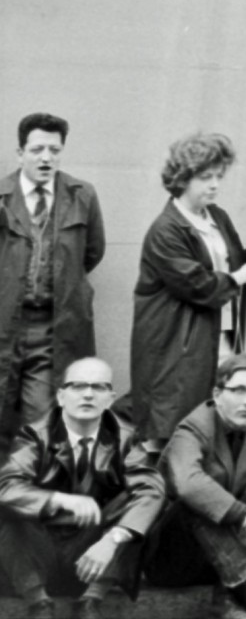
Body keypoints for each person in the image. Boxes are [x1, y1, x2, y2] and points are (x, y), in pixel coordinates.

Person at [128, 134, 246, 449]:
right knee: (179, 424)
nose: (215, 184)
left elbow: (238, 265)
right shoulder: (165, 229)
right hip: (180, 342)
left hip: (220, 335)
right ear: (182, 179)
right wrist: (237, 277)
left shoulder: (217, 216)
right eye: (205, 177)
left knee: (218, 418)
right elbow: (195, 283)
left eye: (219, 176)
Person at [149, 353, 246, 619]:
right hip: (175, 556)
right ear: (218, 393)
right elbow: (188, 485)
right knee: (199, 499)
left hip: (227, 554)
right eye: (238, 390)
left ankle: (226, 598)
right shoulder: (193, 428)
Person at [0, 355, 163, 609]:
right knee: (10, 507)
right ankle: (39, 605)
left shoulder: (125, 438)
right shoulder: (35, 435)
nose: (88, 394)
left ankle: (90, 604)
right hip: (40, 558)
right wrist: (59, 499)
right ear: (61, 396)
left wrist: (112, 540)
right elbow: (6, 485)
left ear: (110, 399)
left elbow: (151, 489)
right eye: (78, 386)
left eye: (98, 387)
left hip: (94, 559)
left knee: (138, 503)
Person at [1, 113, 105, 446]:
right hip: (4, 324)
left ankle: (24, 491)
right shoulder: (2, 197)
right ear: (20, 153)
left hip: (53, 328)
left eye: (54, 150)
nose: (46, 158)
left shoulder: (81, 195)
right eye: (37, 149)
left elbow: (91, 252)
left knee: (41, 419)